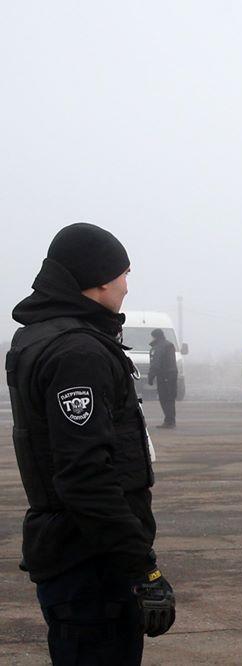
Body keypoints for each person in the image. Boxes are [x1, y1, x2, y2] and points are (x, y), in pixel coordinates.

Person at [7, 223, 175, 664]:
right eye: (122, 274)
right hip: (89, 563)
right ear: (98, 279)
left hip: (77, 553)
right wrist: (142, 568)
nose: (125, 285)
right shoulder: (78, 352)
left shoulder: (43, 336)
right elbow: (85, 475)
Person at [147, 328, 178, 428]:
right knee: (170, 398)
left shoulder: (158, 347)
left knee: (164, 398)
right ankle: (170, 420)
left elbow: (156, 364)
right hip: (172, 375)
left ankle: (169, 421)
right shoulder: (169, 345)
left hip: (164, 376)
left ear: (155, 336)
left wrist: (150, 377)